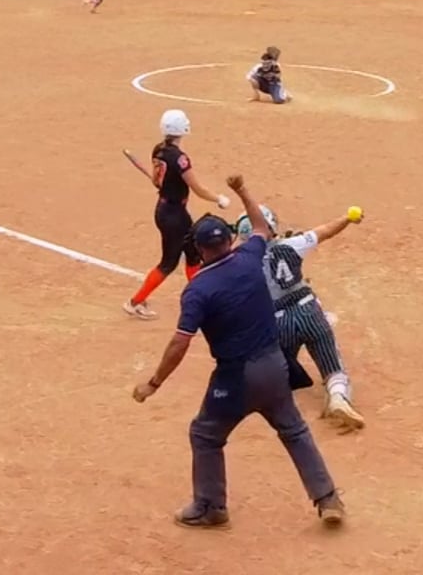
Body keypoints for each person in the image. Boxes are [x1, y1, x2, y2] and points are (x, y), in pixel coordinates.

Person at [131, 179, 347, 530]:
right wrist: (243, 191)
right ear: (230, 240)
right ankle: (328, 499)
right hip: (275, 366)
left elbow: (180, 343)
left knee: (205, 435)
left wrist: (153, 383)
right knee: (294, 431)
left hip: (235, 379)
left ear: (199, 249)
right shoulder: (250, 257)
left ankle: (210, 506)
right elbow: (261, 226)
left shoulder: (198, 290)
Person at [229, 178, 366, 430]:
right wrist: (347, 218)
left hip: (277, 324)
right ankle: (337, 396)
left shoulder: (240, 264)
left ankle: (274, 390)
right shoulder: (291, 245)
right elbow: (325, 231)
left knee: (278, 367)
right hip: (308, 310)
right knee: (333, 365)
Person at [124, 109, 231, 320]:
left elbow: (157, 181)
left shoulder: (159, 150)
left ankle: (202, 300)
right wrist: (218, 198)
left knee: (193, 255)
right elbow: (197, 188)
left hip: (167, 211)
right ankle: (134, 302)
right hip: (174, 216)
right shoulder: (180, 159)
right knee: (169, 263)